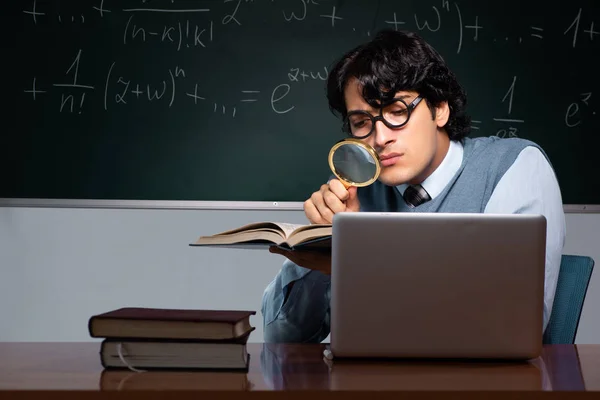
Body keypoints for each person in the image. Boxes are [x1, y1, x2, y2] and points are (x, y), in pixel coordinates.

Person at [261, 29, 566, 343]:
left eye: (397, 111)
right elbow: (280, 338)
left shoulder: (513, 168)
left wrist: (359, 261)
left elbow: (509, 326)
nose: (380, 139)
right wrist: (322, 247)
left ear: (440, 108)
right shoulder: (352, 190)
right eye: (362, 122)